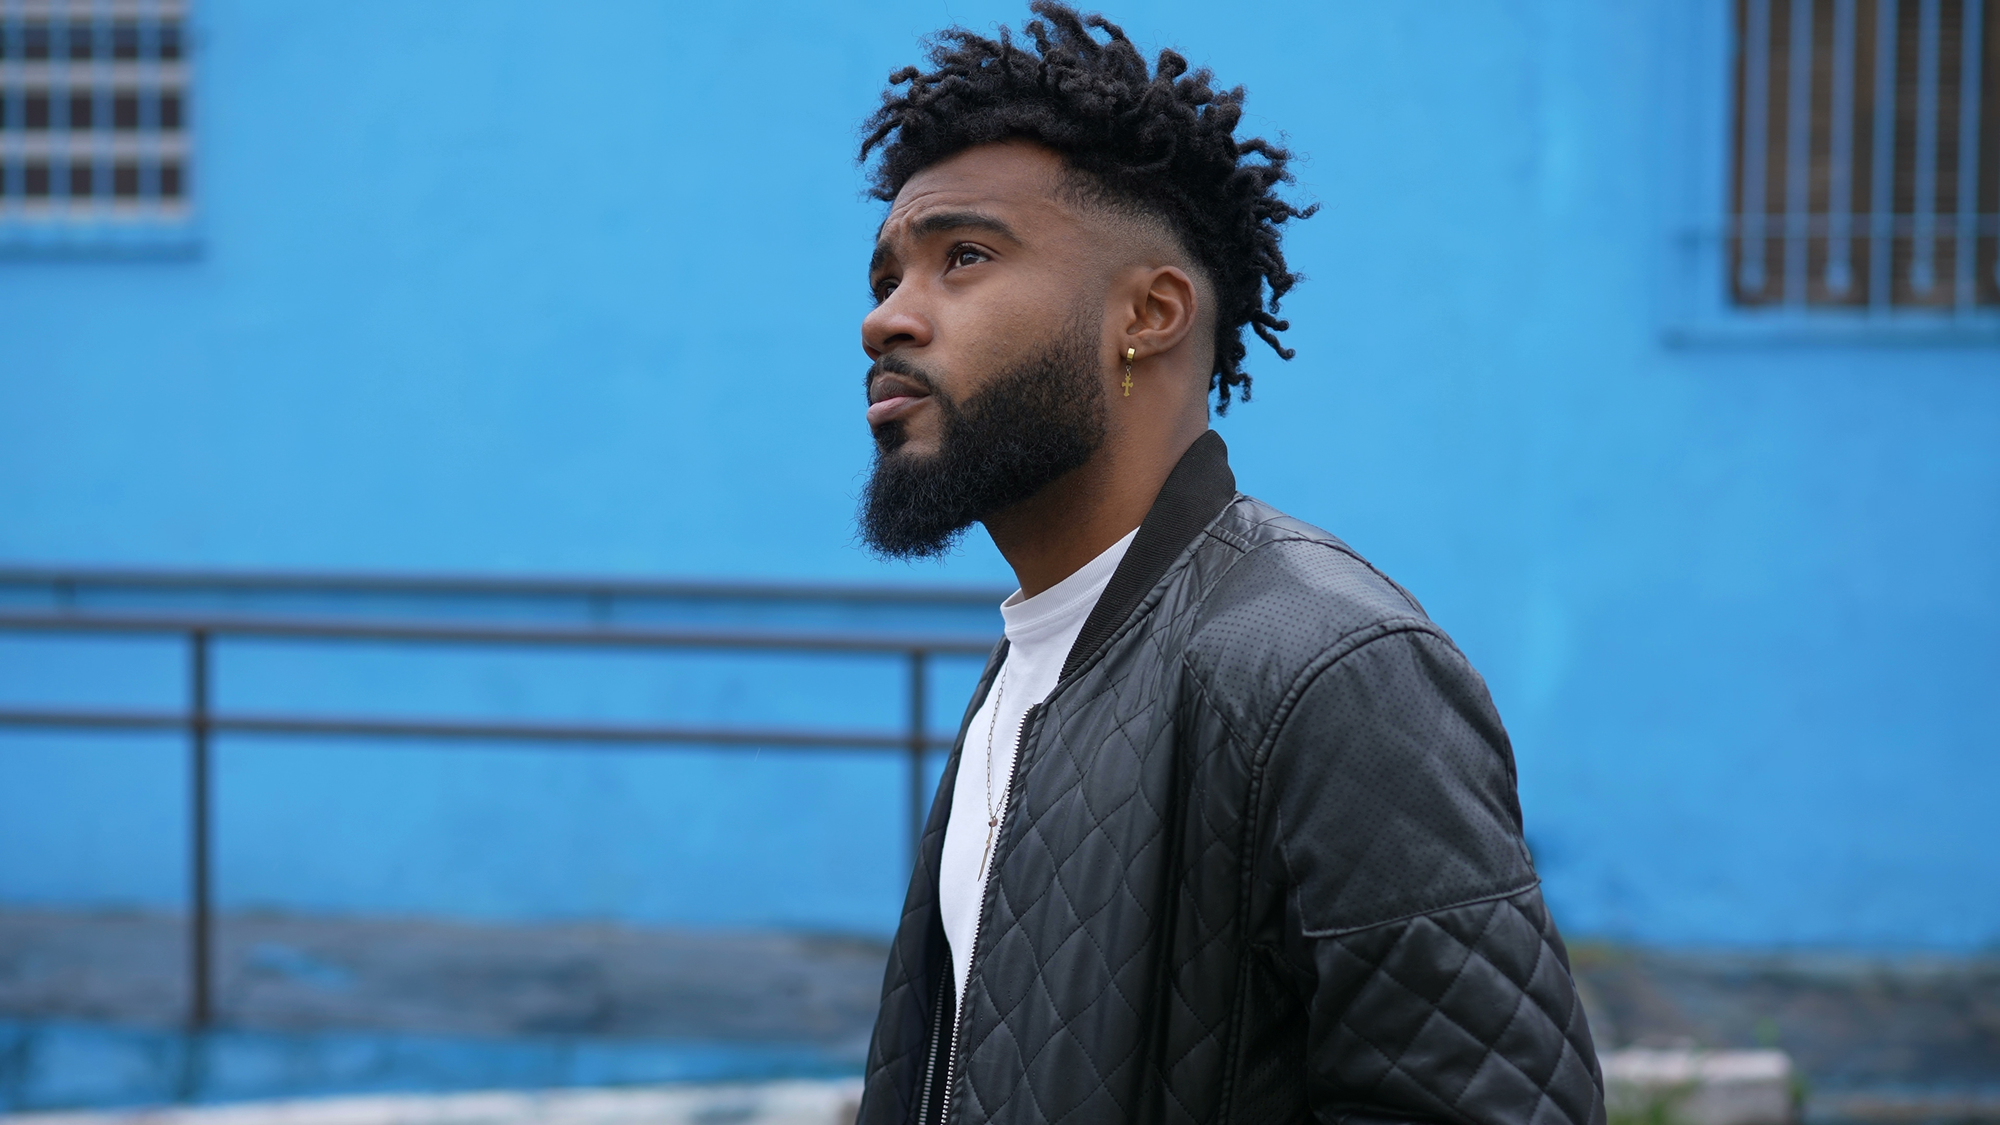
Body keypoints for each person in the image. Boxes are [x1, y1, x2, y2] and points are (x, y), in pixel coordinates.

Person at [852, 6, 1605, 1123]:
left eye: (962, 257)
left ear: (1147, 314)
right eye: (885, 276)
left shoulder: (1326, 665)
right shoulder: (1034, 668)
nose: (886, 321)